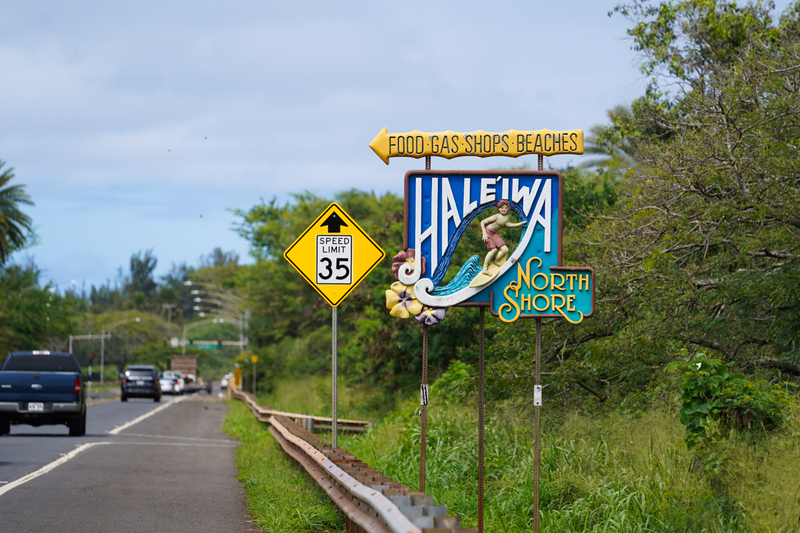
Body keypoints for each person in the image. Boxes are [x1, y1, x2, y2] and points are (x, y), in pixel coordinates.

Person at [479, 199, 526, 276]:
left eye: (505, 208)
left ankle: (496, 261)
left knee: (505, 249)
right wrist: (484, 233)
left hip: (494, 233)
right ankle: (485, 269)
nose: (503, 209)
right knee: (493, 250)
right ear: (498, 208)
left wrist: (519, 224)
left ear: (508, 208)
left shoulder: (507, 217)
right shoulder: (496, 216)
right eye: (502, 208)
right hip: (488, 232)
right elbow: (483, 222)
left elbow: (508, 224)